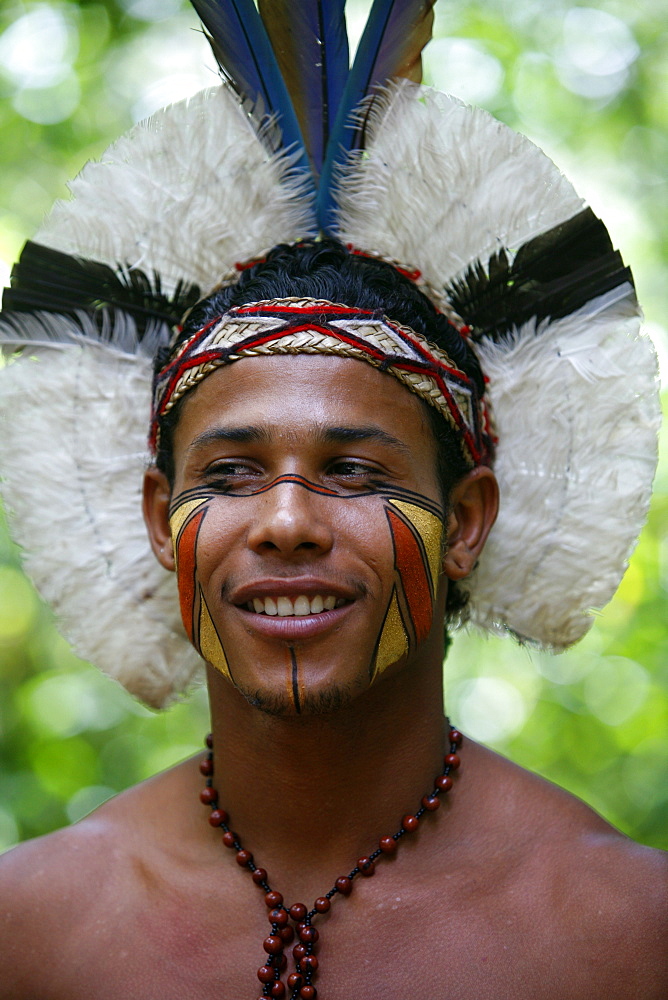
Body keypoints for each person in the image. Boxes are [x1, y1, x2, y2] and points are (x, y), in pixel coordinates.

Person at [0, 3, 665, 998]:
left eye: (353, 472)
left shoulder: (621, 934)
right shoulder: (33, 927)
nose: (284, 520)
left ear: (467, 520)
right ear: (156, 517)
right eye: (227, 474)